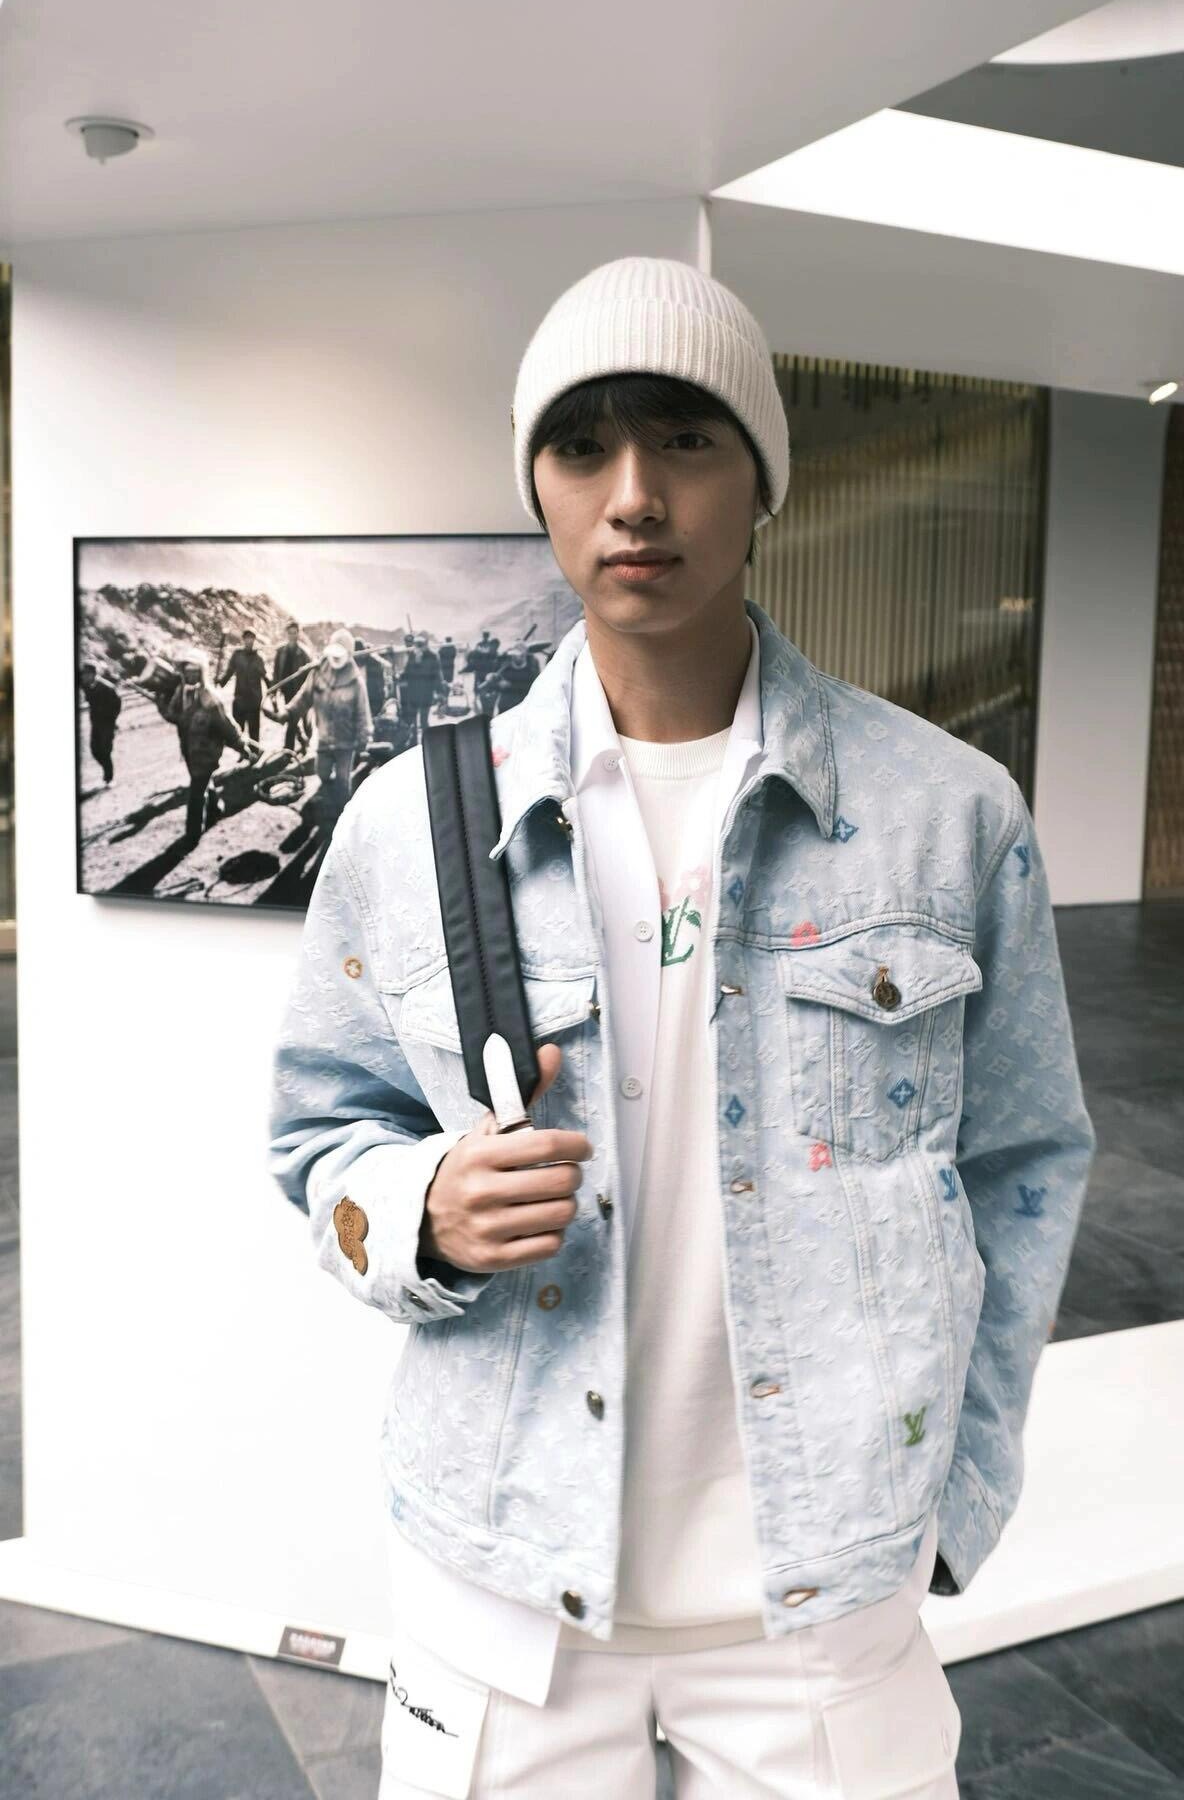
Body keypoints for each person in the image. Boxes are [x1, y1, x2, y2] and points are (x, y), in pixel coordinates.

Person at [267, 257, 1096, 1798]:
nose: (635, 495)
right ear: (538, 485)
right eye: (584, 446)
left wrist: (958, 1490)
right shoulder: (409, 823)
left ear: (763, 477)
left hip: (823, 1602)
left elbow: (1027, 1164)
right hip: (504, 1589)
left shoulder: (948, 816)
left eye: (687, 439)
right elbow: (321, 1129)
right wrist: (420, 1208)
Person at [264, 626, 372, 851]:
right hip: (323, 738)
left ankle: (341, 824)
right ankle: (327, 796)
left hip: (345, 742)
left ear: (349, 654)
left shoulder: (355, 681)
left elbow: (363, 713)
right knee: (322, 772)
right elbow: (303, 699)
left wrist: (363, 738)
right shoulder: (317, 673)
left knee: (343, 782)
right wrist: (286, 714)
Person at [154, 648, 260, 844]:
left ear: (202, 673)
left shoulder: (210, 698)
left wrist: (242, 746)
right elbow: (175, 717)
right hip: (189, 751)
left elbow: (226, 726)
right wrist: (160, 704)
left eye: (195, 672)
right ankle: (215, 809)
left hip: (207, 752)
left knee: (196, 793)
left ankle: (192, 835)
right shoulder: (181, 694)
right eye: (188, 671)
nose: (191, 675)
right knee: (203, 783)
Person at [216, 629, 269, 745]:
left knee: (254, 731)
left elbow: (265, 676)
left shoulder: (259, 658)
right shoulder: (237, 655)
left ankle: (255, 751)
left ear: (254, 640)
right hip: (239, 699)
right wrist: (221, 681)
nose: (249, 641)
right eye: (247, 638)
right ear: (243, 640)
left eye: (251, 638)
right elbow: (229, 672)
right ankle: (243, 752)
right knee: (238, 731)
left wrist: (272, 686)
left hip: (254, 700)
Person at [271, 621, 315, 754]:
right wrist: (274, 690)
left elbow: (311, 675)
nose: (292, 636)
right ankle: (289, 749)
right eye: (290, 633)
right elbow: (276, 672)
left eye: (294, 633)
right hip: (287, 691)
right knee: (291, 719)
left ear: (298, 634)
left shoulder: (304, 653)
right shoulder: (281, 651)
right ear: (287, 634)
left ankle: (304, 744)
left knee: (305, 720)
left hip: (302, 692)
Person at [78, 660, 122, 786]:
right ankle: (107, 771)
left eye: (86, 674)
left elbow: (117, 703)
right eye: (83, 674)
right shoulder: (86, 686)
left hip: (107, 724)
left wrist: (112, 719)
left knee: (105, 750)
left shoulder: (107, 688)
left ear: (93, 674)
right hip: (96, 723)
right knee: (94, 750)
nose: (83, 677)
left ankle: (109, 778)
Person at [398, 634, 442, 738]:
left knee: (424, 720)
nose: (419, 647)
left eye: (421, 645)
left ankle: (427, 740)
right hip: (413, 693)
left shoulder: (432, 656)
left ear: (426, 645)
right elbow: (407, 671)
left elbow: (437, 675)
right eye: (417, 645)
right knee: (412, 719)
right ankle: (413, 740)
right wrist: (400, 677)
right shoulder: (412, 655)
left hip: (426, 693)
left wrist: (439, 691)